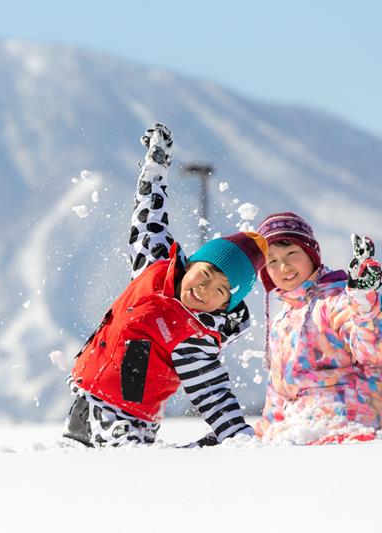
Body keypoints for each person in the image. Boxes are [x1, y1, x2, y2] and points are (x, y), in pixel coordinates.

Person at [62, 123, 268, 447]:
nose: (205, 289)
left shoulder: (193, 334)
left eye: (220, 291)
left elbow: (212, 392)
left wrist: (238, 437)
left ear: (225, 306)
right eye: (206, 274)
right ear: (191, 265)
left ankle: (204, 453)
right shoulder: (155, 266)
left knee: (120, 482)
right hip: (84, 402)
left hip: (126, 421)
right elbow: (148, 218)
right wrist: (156, 165)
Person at [254, 212, 382, 444]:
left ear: (312, 255)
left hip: (346, 426)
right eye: (272, 261)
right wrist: (262, 435)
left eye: (292, 253)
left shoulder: (336, 299)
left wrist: (363, 302)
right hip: (297, 431)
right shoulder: (282, 321)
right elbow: (278, 394)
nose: (283, 266)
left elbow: (377, 351)